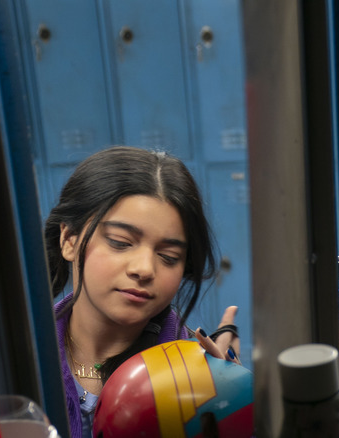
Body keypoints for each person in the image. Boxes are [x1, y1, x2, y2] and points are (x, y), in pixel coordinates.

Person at [45, 146, 241, 438]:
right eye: (121, 242)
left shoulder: (202, 384)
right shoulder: (18, 357)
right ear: (69, 239)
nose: (145, 269)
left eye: (169, 257)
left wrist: (234, 413)